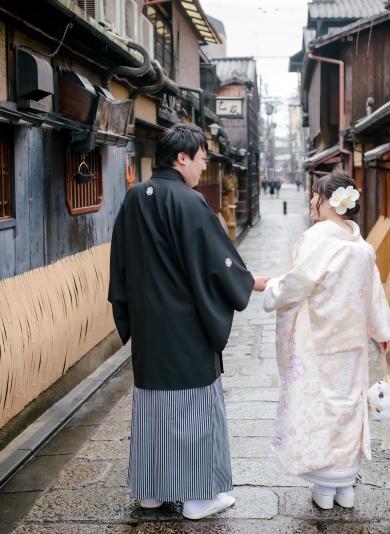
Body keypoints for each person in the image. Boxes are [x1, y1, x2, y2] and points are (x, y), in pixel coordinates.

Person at [108, 123, 271, 520]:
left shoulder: (133, 197)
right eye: (201, 159)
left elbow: (120, 262)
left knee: (152, 407)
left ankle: (151, 492)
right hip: (185, 327)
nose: (203, 167)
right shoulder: (188, 200)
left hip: (149, 325)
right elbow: (217, 261)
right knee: (194, 408)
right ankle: (199, 499)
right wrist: (247, 282)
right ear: (182, 158)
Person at [262, 169, 390, 510]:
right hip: (351, 346)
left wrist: (271, 289)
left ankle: (324, 488)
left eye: (316, 195)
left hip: (317, 343)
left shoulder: (317, 241)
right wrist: (382, 332)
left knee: (320, 408)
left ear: (332, 203)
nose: (311, 201)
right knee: (348, 407)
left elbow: (295, 284)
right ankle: (346, 486)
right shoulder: (363, 249)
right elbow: (373, 294)